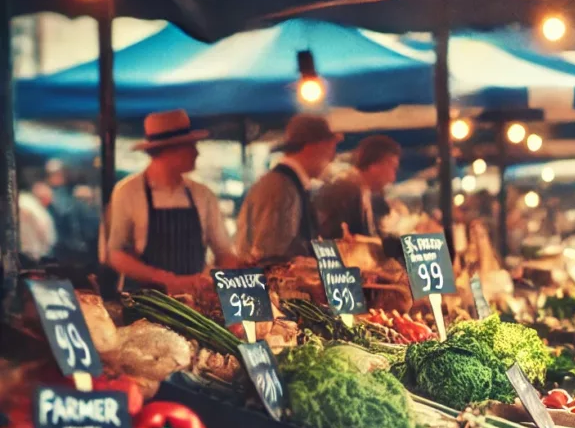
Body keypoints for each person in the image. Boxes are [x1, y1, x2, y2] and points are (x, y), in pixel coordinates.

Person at [102, 109, 238, 291]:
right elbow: (115, 254)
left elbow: (223, 252)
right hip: (144, 303)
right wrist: (168, 280)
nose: (197, 153)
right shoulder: (128, 192)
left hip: (193, 305)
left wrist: (241, 268)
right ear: (169, 151)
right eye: (190, 146)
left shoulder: (203, 194)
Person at [236, 114, 341, 262]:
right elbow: (272, 254)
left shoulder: (289, 183)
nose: (332, 157)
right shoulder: (281, 186)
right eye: (331, 148)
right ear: (314, 146)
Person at [315, 134, 400, 239]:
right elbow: (329, 238)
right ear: (375, 165)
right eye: (393, 168)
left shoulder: (361, 190)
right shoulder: (343, 190)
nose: (393, 178)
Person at [18, 179, 56, 263]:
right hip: (30, 254)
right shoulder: (32, 207)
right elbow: (47, 236)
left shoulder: (25, 202)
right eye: (50, 198)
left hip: (26, 252)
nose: (51, 201)